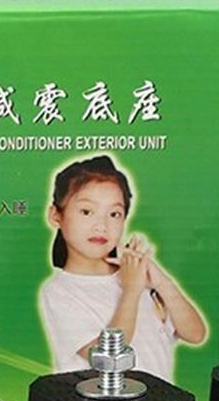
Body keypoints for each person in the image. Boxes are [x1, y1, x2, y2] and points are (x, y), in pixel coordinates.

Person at [39, 155, 207, 380]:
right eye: (87, 211)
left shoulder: (134, 275)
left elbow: (196, 334)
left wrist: (159, 280)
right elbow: (108, 356)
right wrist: (131, 290)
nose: (102, 225)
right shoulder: (59, 291)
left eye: (114, 214)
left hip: (160, 399)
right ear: (56, 215)